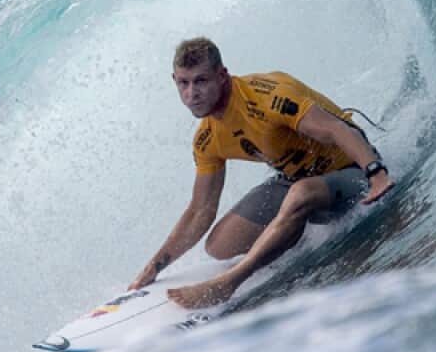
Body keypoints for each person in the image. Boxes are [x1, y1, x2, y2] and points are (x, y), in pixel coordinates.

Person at [130, 37, 395, 309]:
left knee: (301, 192)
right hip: (297, 180)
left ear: (222, 76)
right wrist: (156, 265)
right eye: (183, 83)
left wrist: (377, 174)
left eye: (201, 81)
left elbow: (338, 130)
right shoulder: (207, 139)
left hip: (351, 171)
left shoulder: (268, 96)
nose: (191, 94)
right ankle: (287, 230)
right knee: (219, 246)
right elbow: (201, 210)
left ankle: (231, 281)